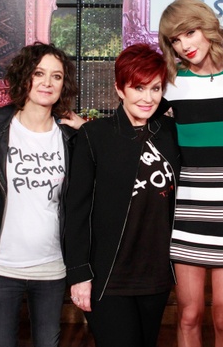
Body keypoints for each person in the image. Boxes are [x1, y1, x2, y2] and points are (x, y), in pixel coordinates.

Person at [157, 0, 223, 347]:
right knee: (189, 314)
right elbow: (142, 127)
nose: (184, 45)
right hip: (188, 206)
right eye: (175, 40)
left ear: (207, 28)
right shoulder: (171, 82)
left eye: (189, 32)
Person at [65, 43, 181, 347]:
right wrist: (79, 273)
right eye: (138, 87)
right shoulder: (95, 135)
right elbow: (77, 210)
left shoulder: (170, 132)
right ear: (120, 88)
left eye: (155, 88)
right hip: (108, 277)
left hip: (155, 276)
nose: (148, 98)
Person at [0, 43, 84, 347]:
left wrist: (87, 130)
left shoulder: (70, 137)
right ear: (24, 77)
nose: (47, 83)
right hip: (0, 266)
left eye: (56, 76)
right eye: (39, 73)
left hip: (52, 266)